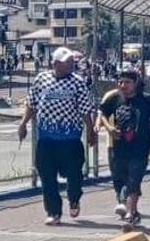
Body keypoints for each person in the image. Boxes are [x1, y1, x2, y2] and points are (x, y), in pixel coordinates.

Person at [18, 47, 96, 226]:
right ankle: (53, 211)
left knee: (74, 174)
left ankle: (74, 198)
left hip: (70, 139)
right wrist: (23, 124)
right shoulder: (41, 79)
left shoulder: (77, 82)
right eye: (66, 62)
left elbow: (85, 110)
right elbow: (32, 103)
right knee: (47, 175)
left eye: (71, 62)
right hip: (47, 139)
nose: (70, 64)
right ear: (55, 64)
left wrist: (90, 130)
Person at [97, 69, 150, 225]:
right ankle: (130, 208)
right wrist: (109, 128)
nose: (123, 85)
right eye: (120, 82)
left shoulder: (146, 100)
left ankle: (130, 212)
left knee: (134, 179)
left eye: (127, 82)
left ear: (135, 83)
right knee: (119, 179)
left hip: (140, 148)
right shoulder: (114, 99)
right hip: (118, 148)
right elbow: (103, 114)